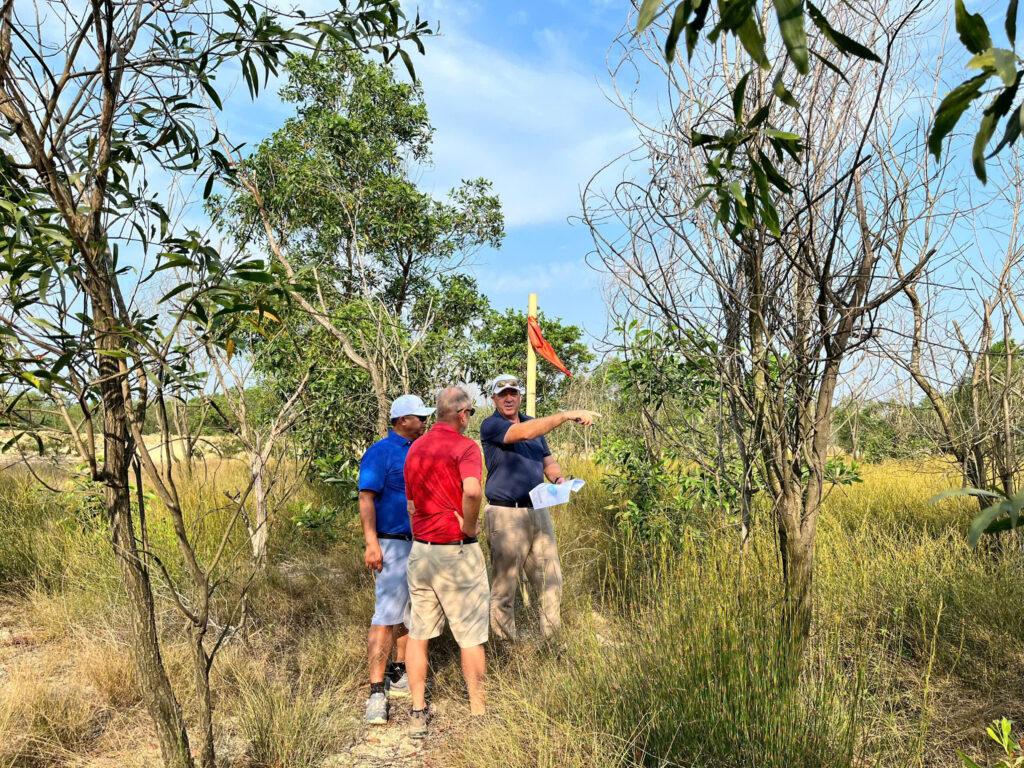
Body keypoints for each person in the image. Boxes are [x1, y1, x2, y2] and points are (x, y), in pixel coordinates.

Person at [481, 374, 599, 641]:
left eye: (513, 393)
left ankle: (551, 640)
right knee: (505, 587)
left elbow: (547, 461)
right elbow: (525, 433)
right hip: (505, 514)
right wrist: (566, 415)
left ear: (520, 396)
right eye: (503, 394)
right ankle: (505, 646)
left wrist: (558, 479)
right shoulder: (492, 425)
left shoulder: (533, 423)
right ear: (494, 399)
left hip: (538, 510)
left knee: (550, 579)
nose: (509, 398)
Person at [402, 387, 489, 737]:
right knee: (469, 636)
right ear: (463, 413)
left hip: (420, 552)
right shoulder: (466, 448)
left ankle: (417, 711)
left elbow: (411, 505)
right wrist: (469, 526)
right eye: (470, 413)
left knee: (419, 634)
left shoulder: (415, 449)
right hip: (456, 551)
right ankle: (478, 713)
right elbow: (472, 490)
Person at [358, 394, 434, 725]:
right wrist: (372, 544)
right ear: (402, 420)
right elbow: (366, 497)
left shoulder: (421, 449)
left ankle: (401, 672)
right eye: (419, 417)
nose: (425, 421)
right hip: (391, 544)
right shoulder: (380, 453)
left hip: (420, 544)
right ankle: (376, 692)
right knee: (386, 614)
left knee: (409, 612)